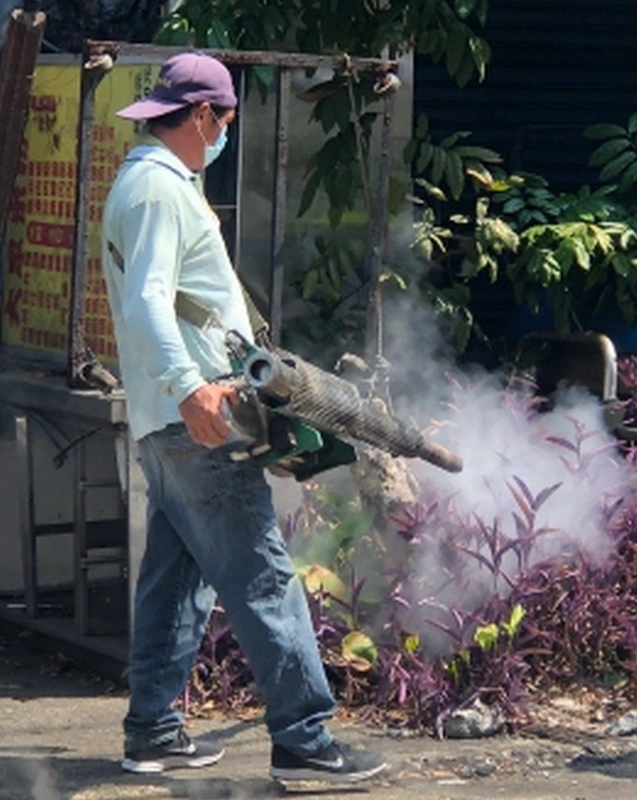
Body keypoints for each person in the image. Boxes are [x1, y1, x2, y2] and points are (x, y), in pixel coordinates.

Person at [100, 52, 388, 783]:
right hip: (197, 419)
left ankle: (154, 732)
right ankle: (305, 739)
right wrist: (193, 387)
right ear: (202, 117)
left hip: (164, 423)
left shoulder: (143, 181)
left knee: (174, 579)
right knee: (262, 576)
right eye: (225, 122)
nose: (225, 136)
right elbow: (148, 304)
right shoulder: (163, 192)